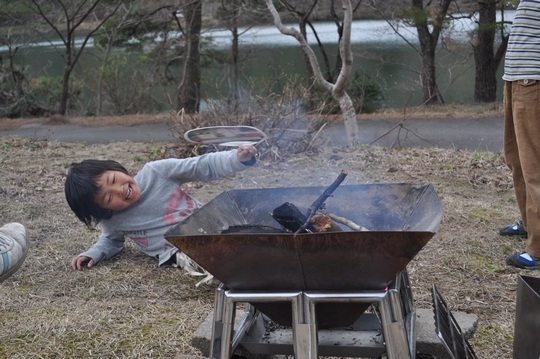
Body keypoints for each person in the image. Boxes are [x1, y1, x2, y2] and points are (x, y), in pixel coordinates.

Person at [64, 145, 257, 281]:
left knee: (250, 226)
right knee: (211, 257)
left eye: (114, 179)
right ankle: (245, 272)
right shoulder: (114, 221)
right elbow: (111, 240)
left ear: (115, 167)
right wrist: (93, 254)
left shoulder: (156, 172)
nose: (120, 190)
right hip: (180, 249)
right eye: (108, 198)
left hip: (209, 220)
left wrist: (236, 158)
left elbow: (200, 166)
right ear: (104, 210)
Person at [502, 0, 540, 269]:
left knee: (535, 168)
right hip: (516, 76)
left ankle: (538, 248)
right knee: (516, 160)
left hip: (533, 78)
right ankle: (530, 224)